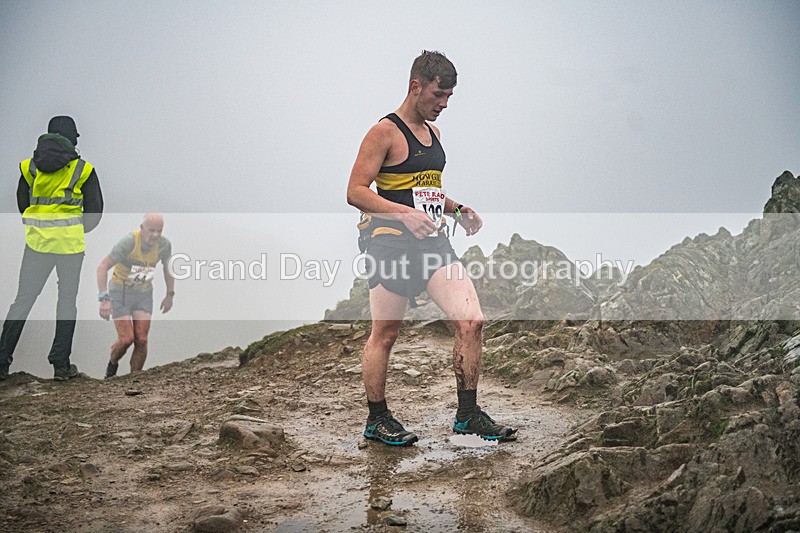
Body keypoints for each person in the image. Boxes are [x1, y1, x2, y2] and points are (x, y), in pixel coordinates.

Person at [346, 51, 517, 445]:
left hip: (433, 242)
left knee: (471, 321)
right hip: (388, 244)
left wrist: (457, 209)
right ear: (415, 87)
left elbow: (426, 192)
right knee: (385, 333)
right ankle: (377, 420)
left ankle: (468, 415)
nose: (443, 104)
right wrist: (403, 215)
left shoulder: (434, 135)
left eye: (449, 98)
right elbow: (355, 192)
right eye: (438, 95)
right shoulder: (383, 133)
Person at [0, 116, 104, 381]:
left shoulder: (29, 167)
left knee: (22, 301)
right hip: (69, 246)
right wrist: (75, 229)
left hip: (37, 244)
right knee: (66, 303)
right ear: (71, 137)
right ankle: (60, 365)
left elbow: (23, 204)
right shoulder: (83, 169)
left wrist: (39, 227)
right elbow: (95, 212)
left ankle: (1, 362)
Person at [97, 213, 174, 378]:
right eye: (151, 230)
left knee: (142, 340)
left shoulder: (164, 245)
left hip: (143, 293)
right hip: (121, 291)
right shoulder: (129, 242)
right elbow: (102, 267)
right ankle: (112, 364)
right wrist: (104, 299)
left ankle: (135, 379)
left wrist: (170, 294)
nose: (155, 235)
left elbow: (168, 268)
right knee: (126, 339)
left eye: (159, 231)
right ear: (142, 228)